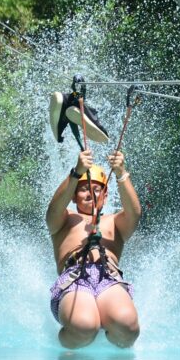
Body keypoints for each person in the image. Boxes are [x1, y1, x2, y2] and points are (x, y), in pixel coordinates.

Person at [46, 148, 141, 349]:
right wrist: (76, 173)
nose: (90, 192)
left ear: (105, 195)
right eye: (83, 189)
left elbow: (134, 213)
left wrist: (121, 173)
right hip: (75, 278)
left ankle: (113, 355)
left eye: (97, 189)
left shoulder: (115, 221)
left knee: (128, 327)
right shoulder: (65, 219)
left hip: (108, 278)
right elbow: (53, 209)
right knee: (84, 326)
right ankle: (67, 345)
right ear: (73, 196)